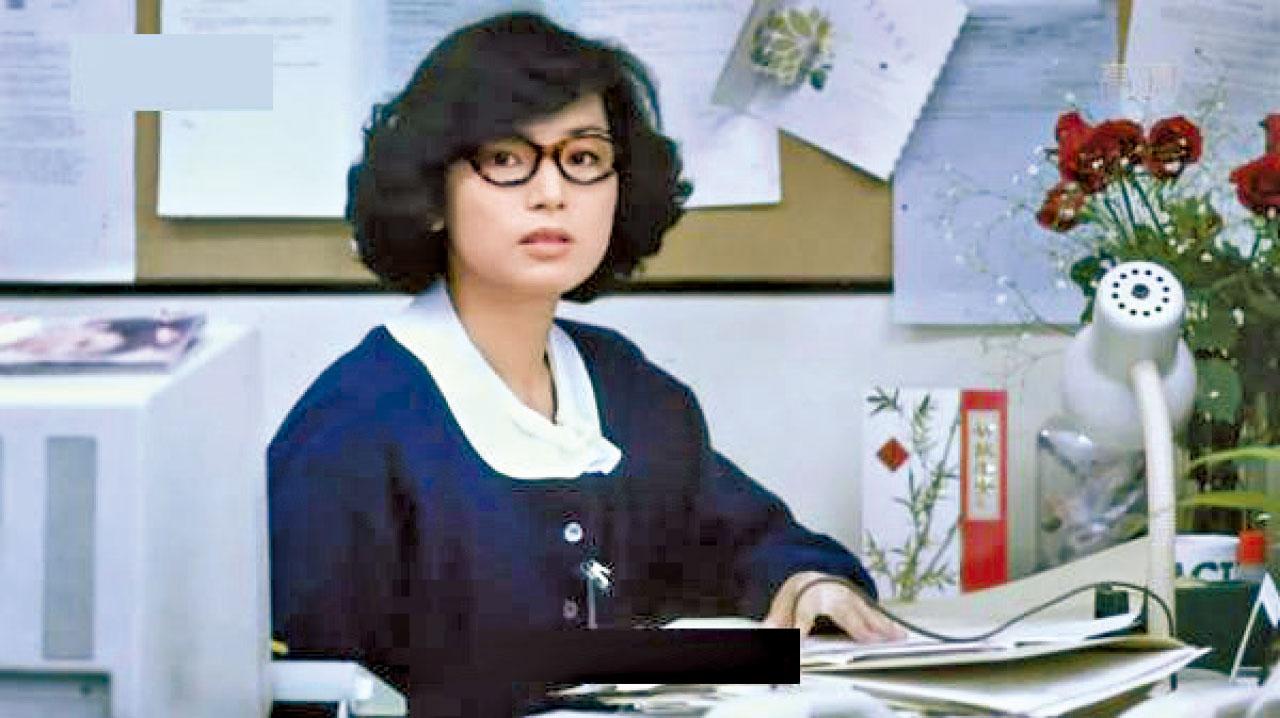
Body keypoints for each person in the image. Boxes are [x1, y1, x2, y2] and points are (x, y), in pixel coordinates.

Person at [268, 11, 901, 716]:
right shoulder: (354, 428)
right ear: (432, 194)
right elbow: (306, 690)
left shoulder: (627, 391)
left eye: (584, 158)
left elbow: (749, 542)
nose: (552, 192)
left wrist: (808, 583)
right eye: (506, 158)